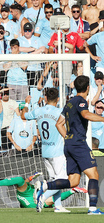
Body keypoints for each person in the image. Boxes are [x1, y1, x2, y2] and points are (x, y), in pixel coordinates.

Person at [35, 76, 104, 214]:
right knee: (93, 175)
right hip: (78, 143)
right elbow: (86, 115)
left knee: (73, 182)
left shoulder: (69, 102)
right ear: (88, 88)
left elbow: (59, 124)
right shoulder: (80, 101)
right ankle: (92, 209)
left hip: (69, 144)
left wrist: (68, 137)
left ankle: (45, 185)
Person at [24, 88, 70, 212]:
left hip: (45, 150)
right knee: (63, 180)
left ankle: (58, 206)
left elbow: (24, 115)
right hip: (57, 151)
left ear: (45, 98)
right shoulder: (61, 111)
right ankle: (42, 196)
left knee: (55, 180)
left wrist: (26, 103)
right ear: (58, 99)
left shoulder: (38, 111)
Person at [0, 172, 87, 209]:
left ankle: (58, 206)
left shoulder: (46, 200)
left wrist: (72, 191)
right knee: (20, 180)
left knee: (50, 197)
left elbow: (52, 199)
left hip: (31, 202)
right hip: (30, 192)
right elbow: (24, 182)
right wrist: (31, 178)